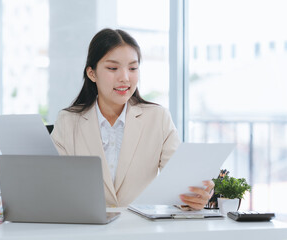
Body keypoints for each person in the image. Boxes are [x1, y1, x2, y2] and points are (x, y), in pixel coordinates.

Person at [51, 28, 214, 208]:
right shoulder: (68, 121)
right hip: (86, 230)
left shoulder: (158, 118)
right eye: (113, 68)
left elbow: (179, 182)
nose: (125, 78)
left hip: (141, 230)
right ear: (92, 73)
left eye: (133, 68)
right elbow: (52, 185)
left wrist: (196, 196)